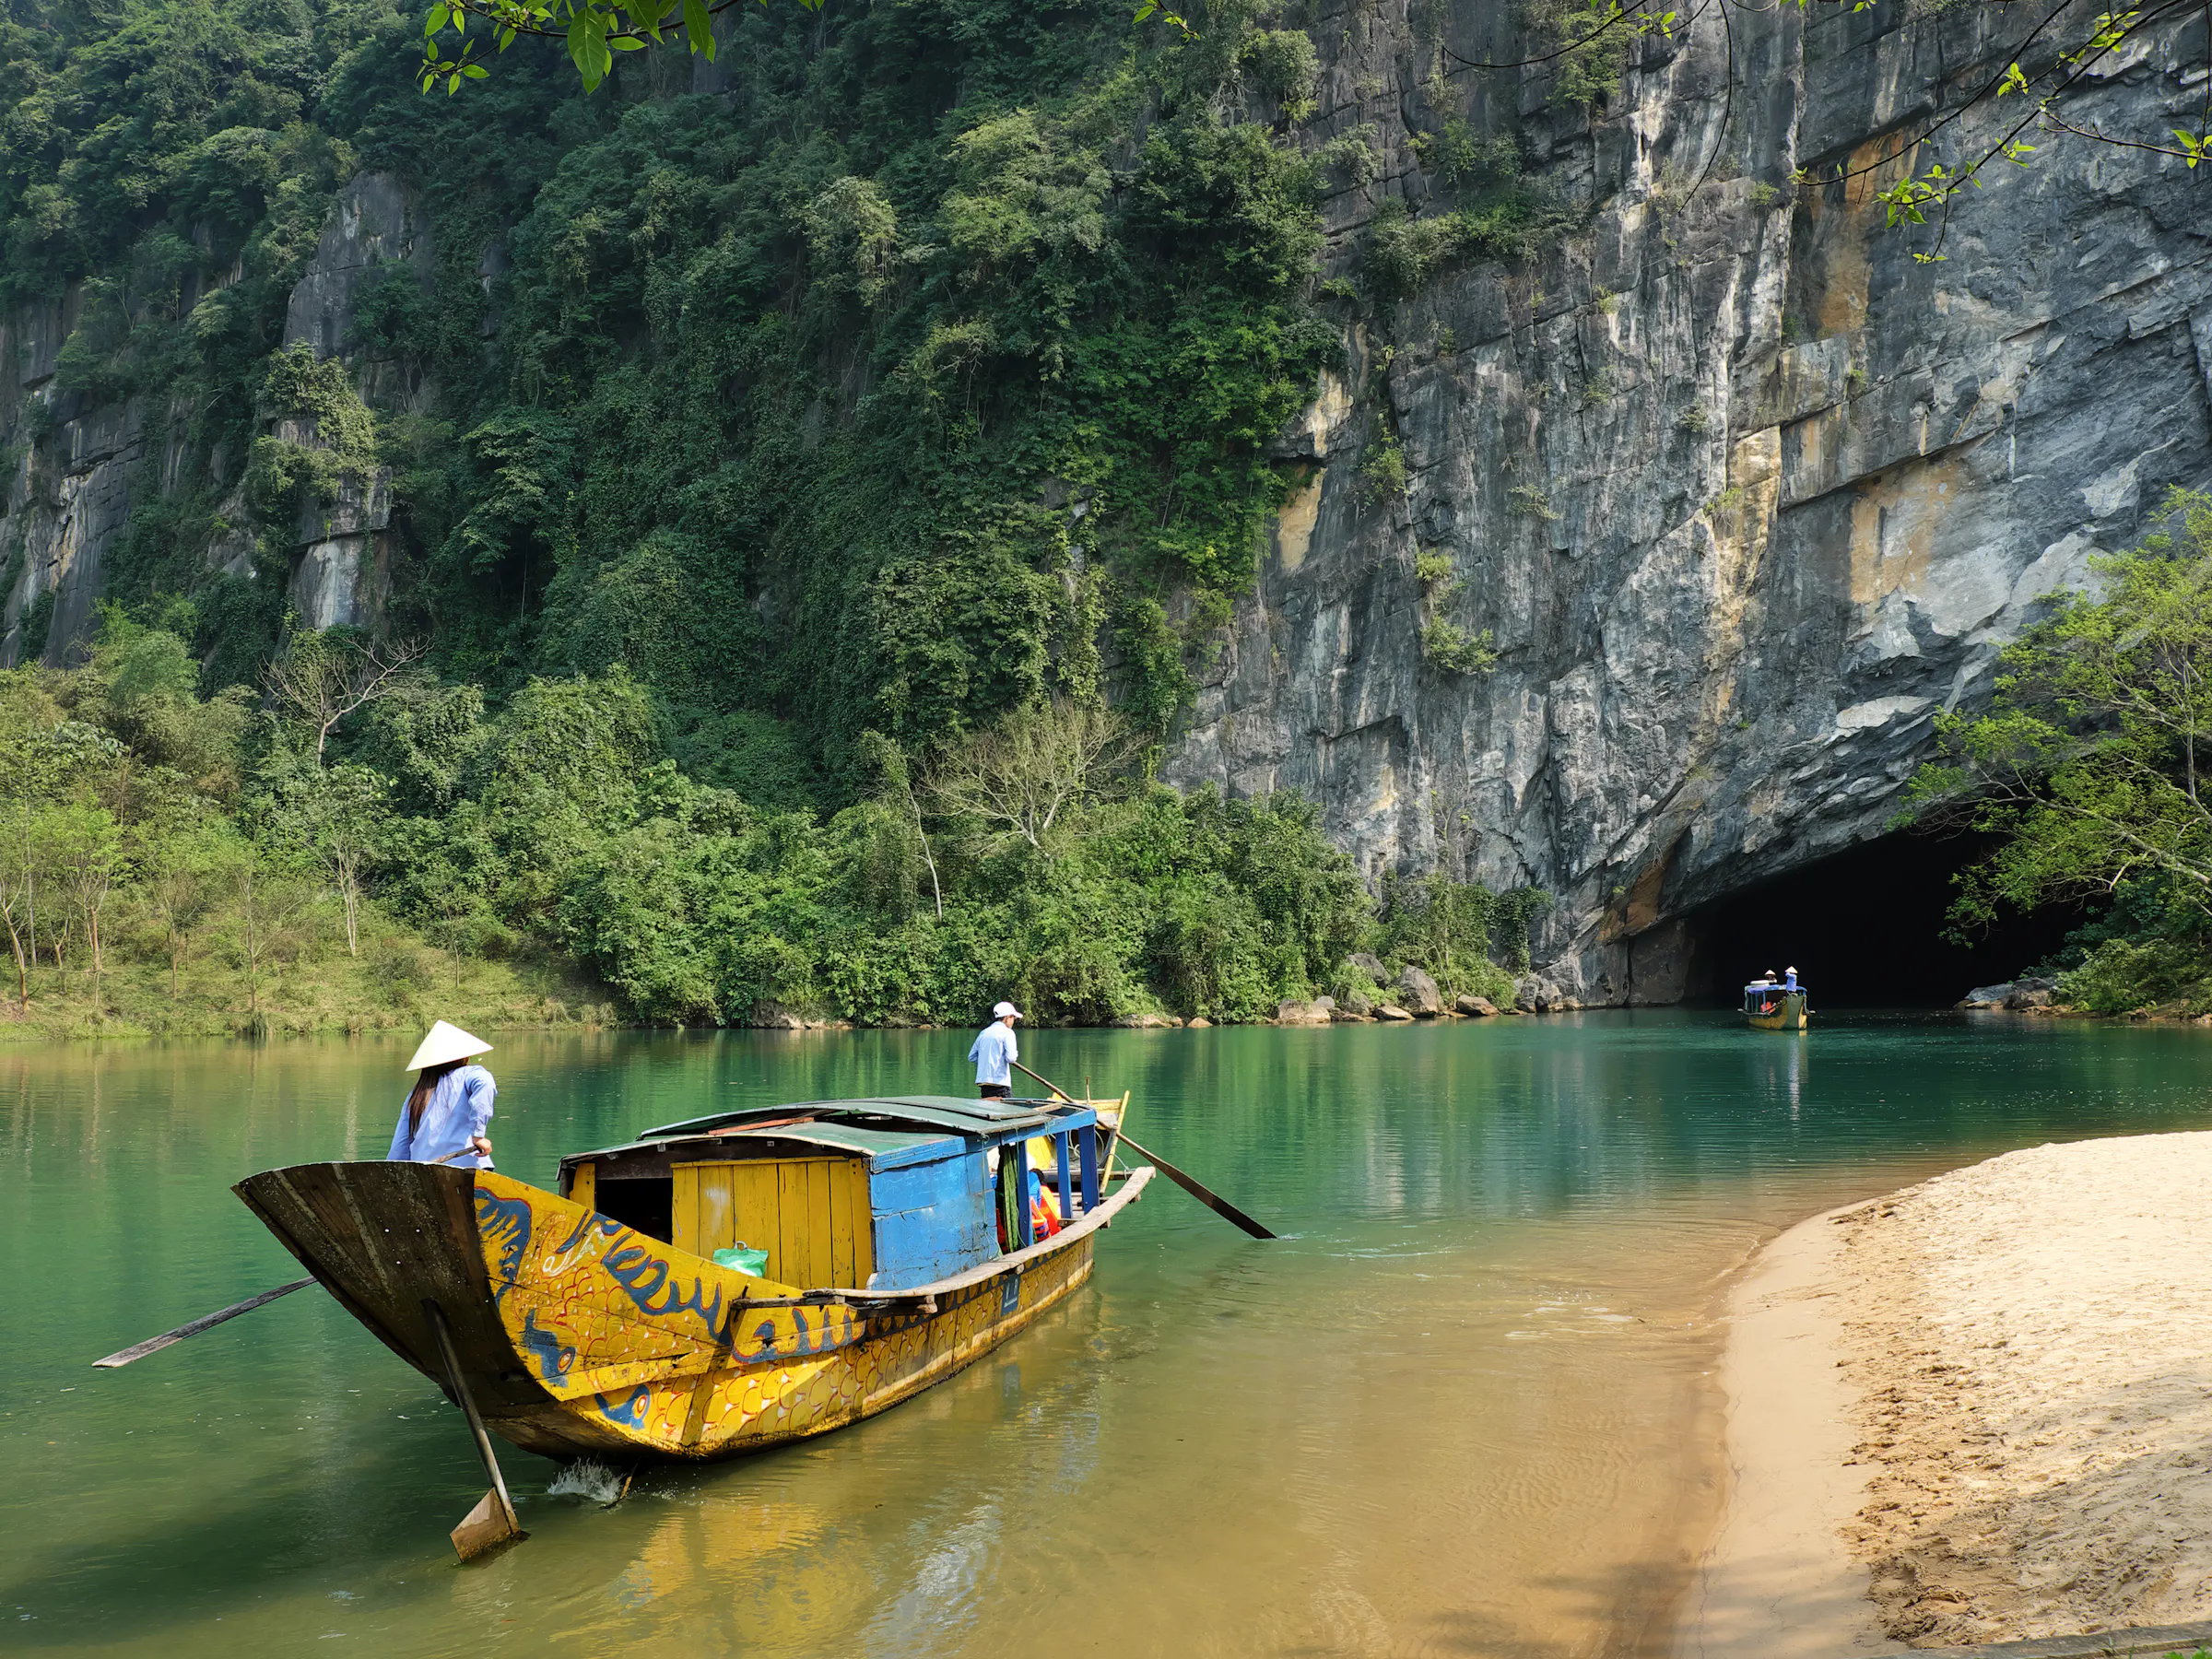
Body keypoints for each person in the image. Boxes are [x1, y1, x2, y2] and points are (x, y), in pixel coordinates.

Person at [388, 1019, 498, 1170]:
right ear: (463, 1057)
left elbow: (400, 1145)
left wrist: (395, 1173)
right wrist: (478, 1135)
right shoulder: (469, 1075)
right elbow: (485, 1083)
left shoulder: (417, 1094)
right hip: (466, 1169)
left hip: (425, 1172)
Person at [968, 1001, 1021, 1100]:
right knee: (1008, 1112)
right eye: (1013, 1018)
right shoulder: (1008, 1033)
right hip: (1000, 1084)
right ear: (1007, 1018)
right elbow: (1011, 1058)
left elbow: (972, 1056)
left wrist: (987, 1060)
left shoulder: (984, 1033)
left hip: (984, 1084)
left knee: (988, 1112)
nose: (1014, 1021)